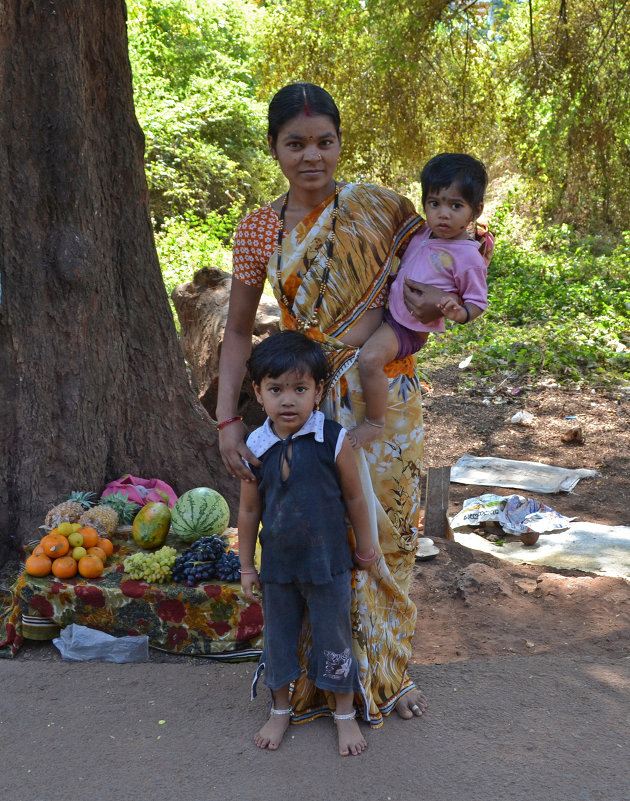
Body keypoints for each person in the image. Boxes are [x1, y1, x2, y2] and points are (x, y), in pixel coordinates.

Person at [217, 82, 493, 727]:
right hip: (301, 406)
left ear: (340, 144)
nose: (311, 156)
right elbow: (236, 332)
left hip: (383, 400)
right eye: (295, 144)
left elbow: (464, 247)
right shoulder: (258, 228)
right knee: (314, 538)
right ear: (274, 149)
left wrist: (440, 307)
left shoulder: (382, 208)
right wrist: (231, 419)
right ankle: (317, 685)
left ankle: (389, 676)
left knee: (387, 535)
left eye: (324, 142)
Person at [238, 330, 376, 755]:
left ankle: (343, 714)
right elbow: (247, 512)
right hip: (278, 569)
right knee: (277, 638)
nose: (288, 400)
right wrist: (246, 566)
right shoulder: (255, 447)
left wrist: (367, 545)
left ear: (319, 391)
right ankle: (280, 710)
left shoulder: (333, 439)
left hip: (328, 563)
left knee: (334, 638)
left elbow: (356, 497)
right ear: (258, 393)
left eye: (300, 389)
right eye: (276, 389)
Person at [348, 153, 490, 449]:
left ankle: (375, 422)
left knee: (370, 359)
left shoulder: (467, 256)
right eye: (434, 203)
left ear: (475, 210)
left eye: (455, 206)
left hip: (407, 327)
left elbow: (478, 301)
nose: (443, 214)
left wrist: (458, 312)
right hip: (390, 312)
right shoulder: (423, 232)